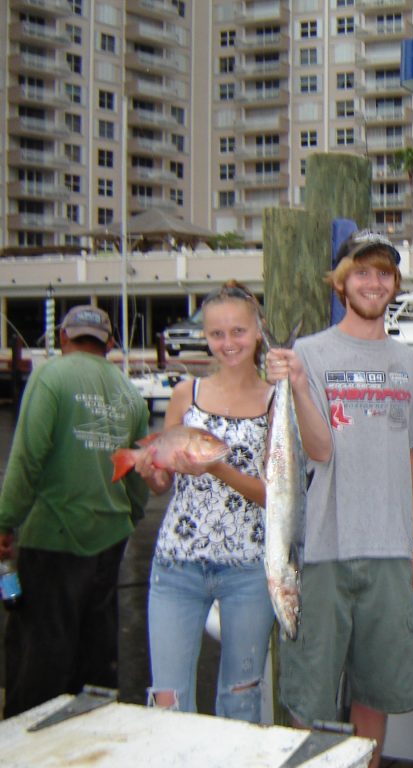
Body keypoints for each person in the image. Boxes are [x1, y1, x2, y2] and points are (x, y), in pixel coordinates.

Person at [266, 233, 413, 768]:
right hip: (318, 549)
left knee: (375, 693)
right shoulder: (308, 355)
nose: (373, 283)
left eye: (384, 273)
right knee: (310, 693)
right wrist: (293, 385)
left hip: (388, 549)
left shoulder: (409, 362)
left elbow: (408, 456)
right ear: (340, 282)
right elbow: (318, 449)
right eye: (361, 272)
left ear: (395, 285)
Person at [134, 281, 275, 722]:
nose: (228, 343)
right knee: (168, 700)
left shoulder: (275, 400)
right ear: (206, 338)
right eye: (217, 334)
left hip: (249, 569)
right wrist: (153, 472)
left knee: (241, 697)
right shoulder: (185, 394)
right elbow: (162, 483)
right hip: (178, 563)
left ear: (258, 331)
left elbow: (274, 495)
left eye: (237, 331)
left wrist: (217, 469)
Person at [0, 305, 150, 717]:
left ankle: (27, 745)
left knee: (40, 654)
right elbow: (137, 474)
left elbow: (27, 458)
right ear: (110, 344)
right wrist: (129, 518)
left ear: (63, 338)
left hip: (53, 537)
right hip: (109, 540)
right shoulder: (129, 393)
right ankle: (92, 734)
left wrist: (5, 521)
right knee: (97, 656)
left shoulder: (50, 376)